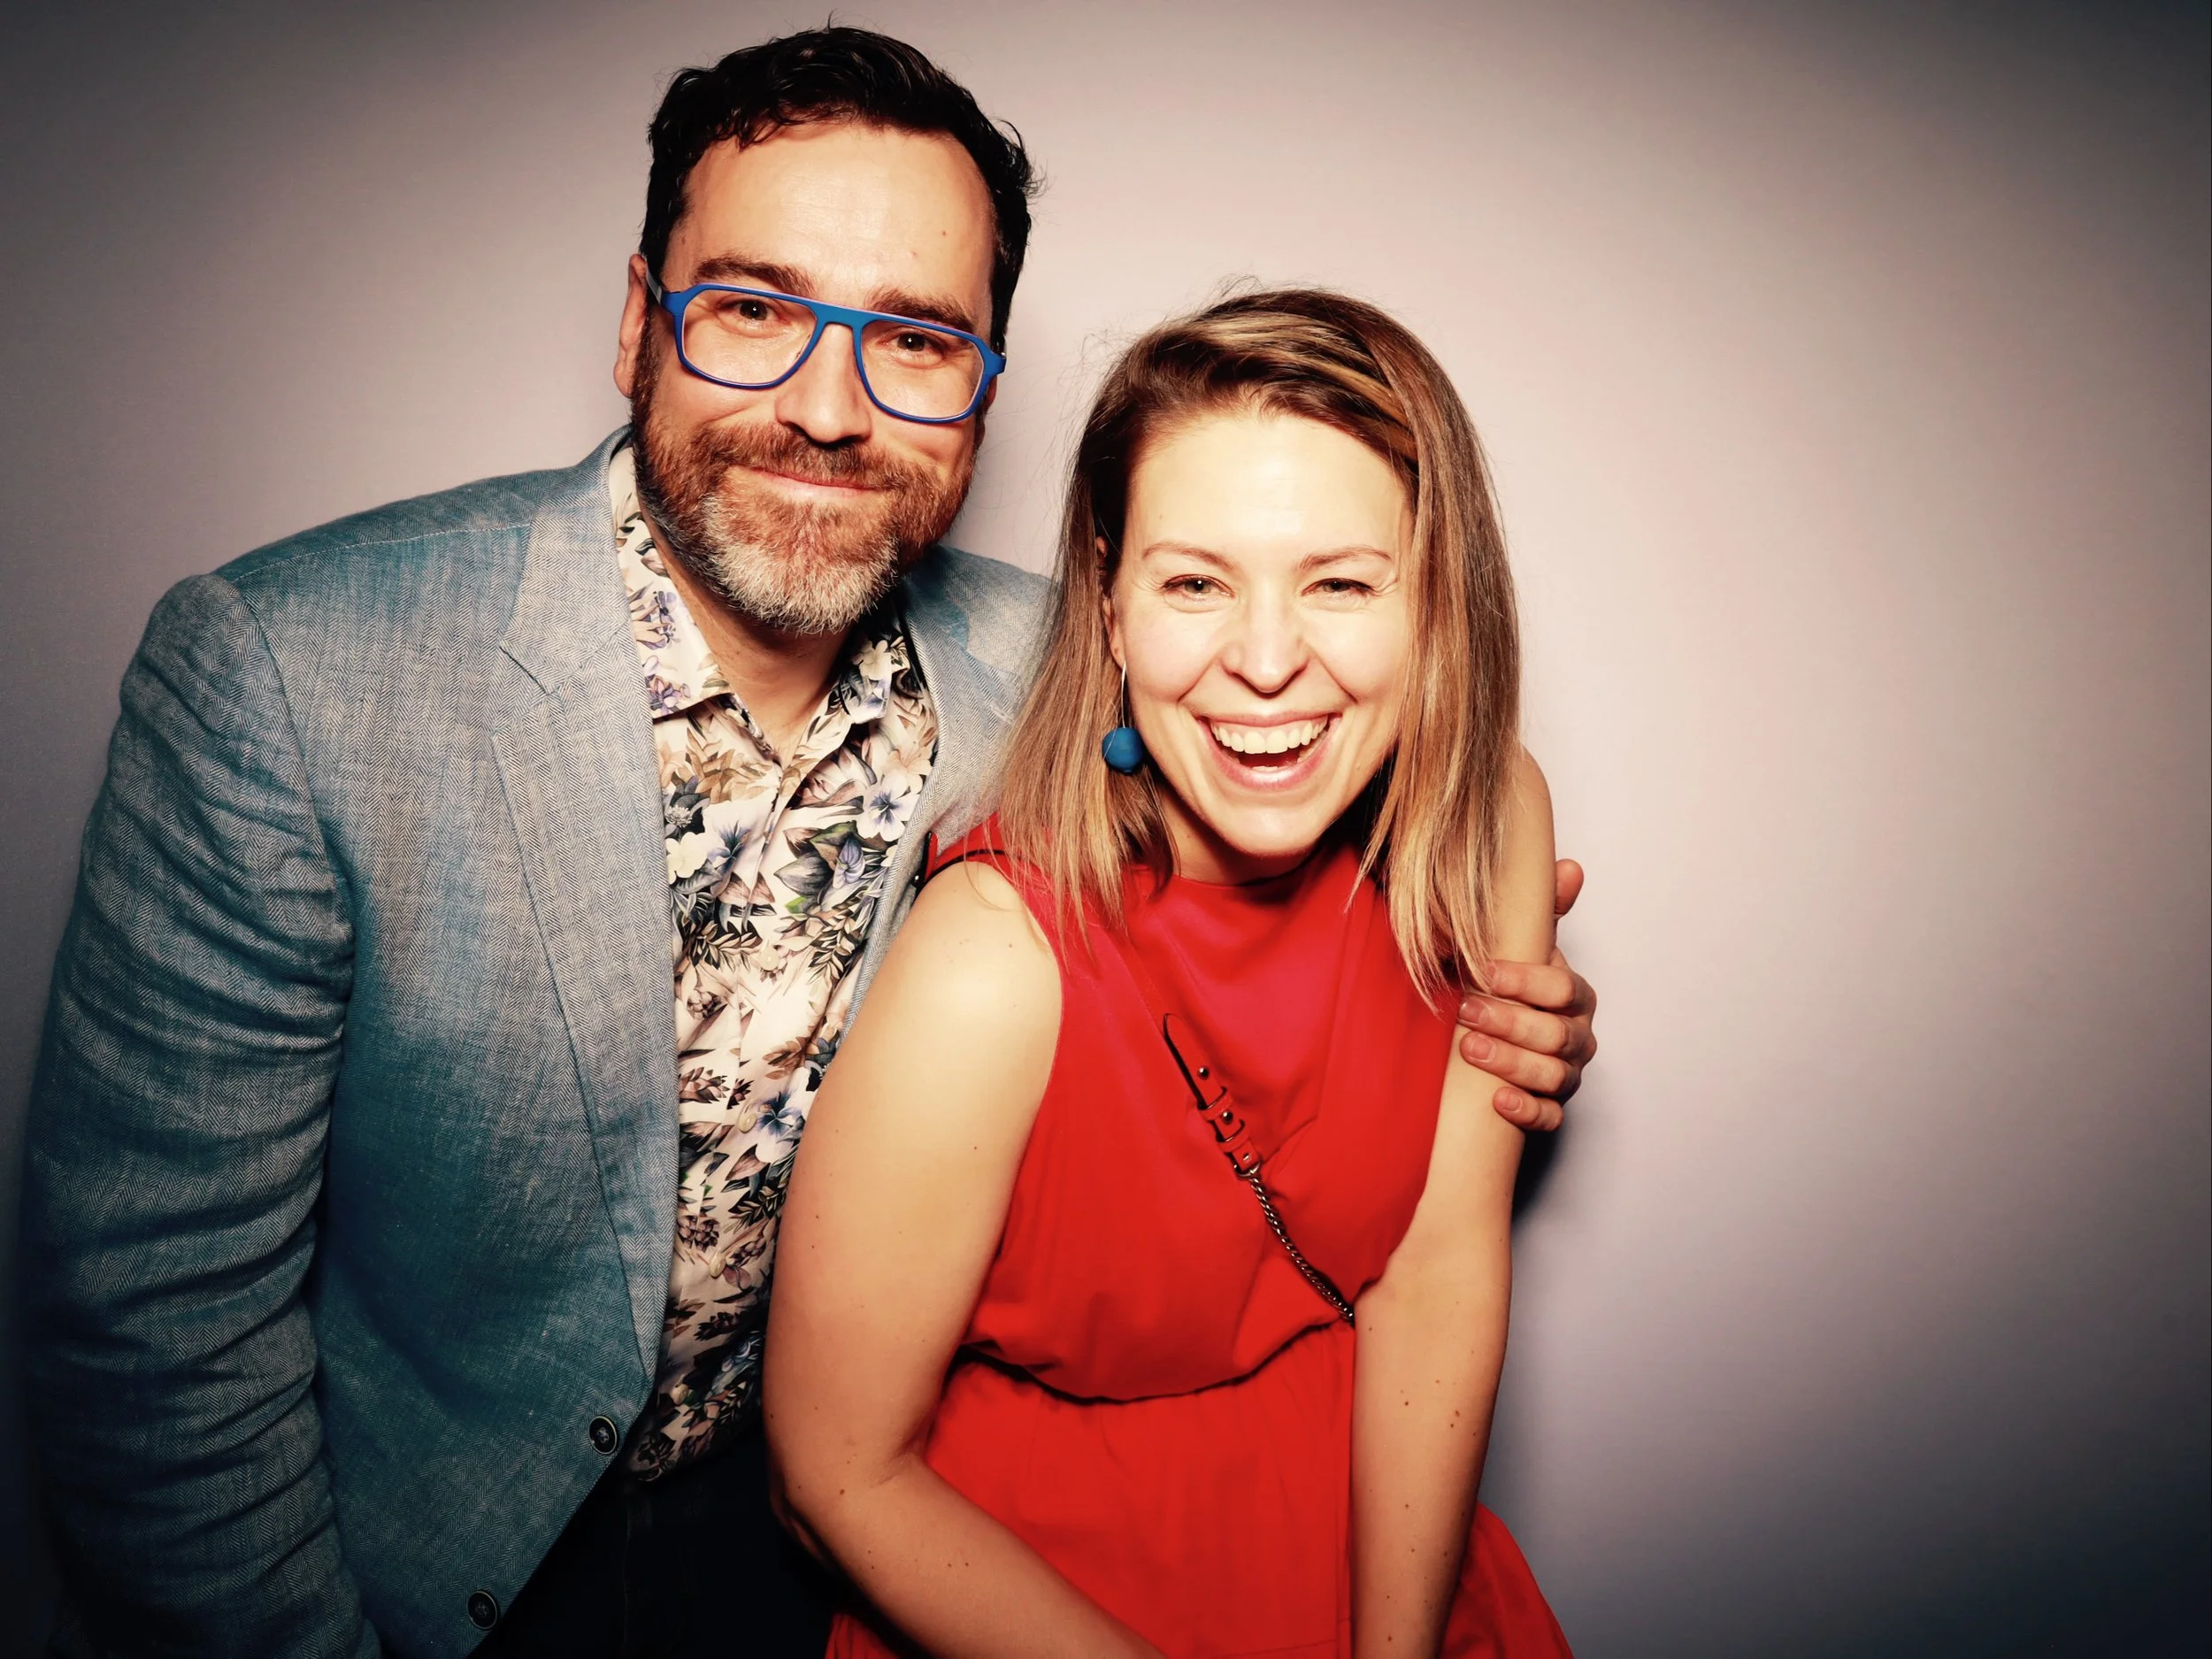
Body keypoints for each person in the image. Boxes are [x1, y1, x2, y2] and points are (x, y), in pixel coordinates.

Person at [19, 28, 1596, 1659]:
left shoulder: (1082, 675)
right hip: (425, 1564)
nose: (830, 408)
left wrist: (1506, 1004)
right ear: (641, 320)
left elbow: (1311, 879)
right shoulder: (289, 672)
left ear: (986, 386)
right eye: (754, 309)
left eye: (916, 339)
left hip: (849, 1552)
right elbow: (153, 1331)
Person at [767, 288, 1574, 1657]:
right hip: (1029, 1581)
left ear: (1436, 601)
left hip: (1381, 1539)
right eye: (1197, 581)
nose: (1266, 663)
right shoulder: (992, 962)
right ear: (1113, 601)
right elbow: (837, 1476)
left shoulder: (1487, 822)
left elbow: (1435, 1275)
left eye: (1342, 580)